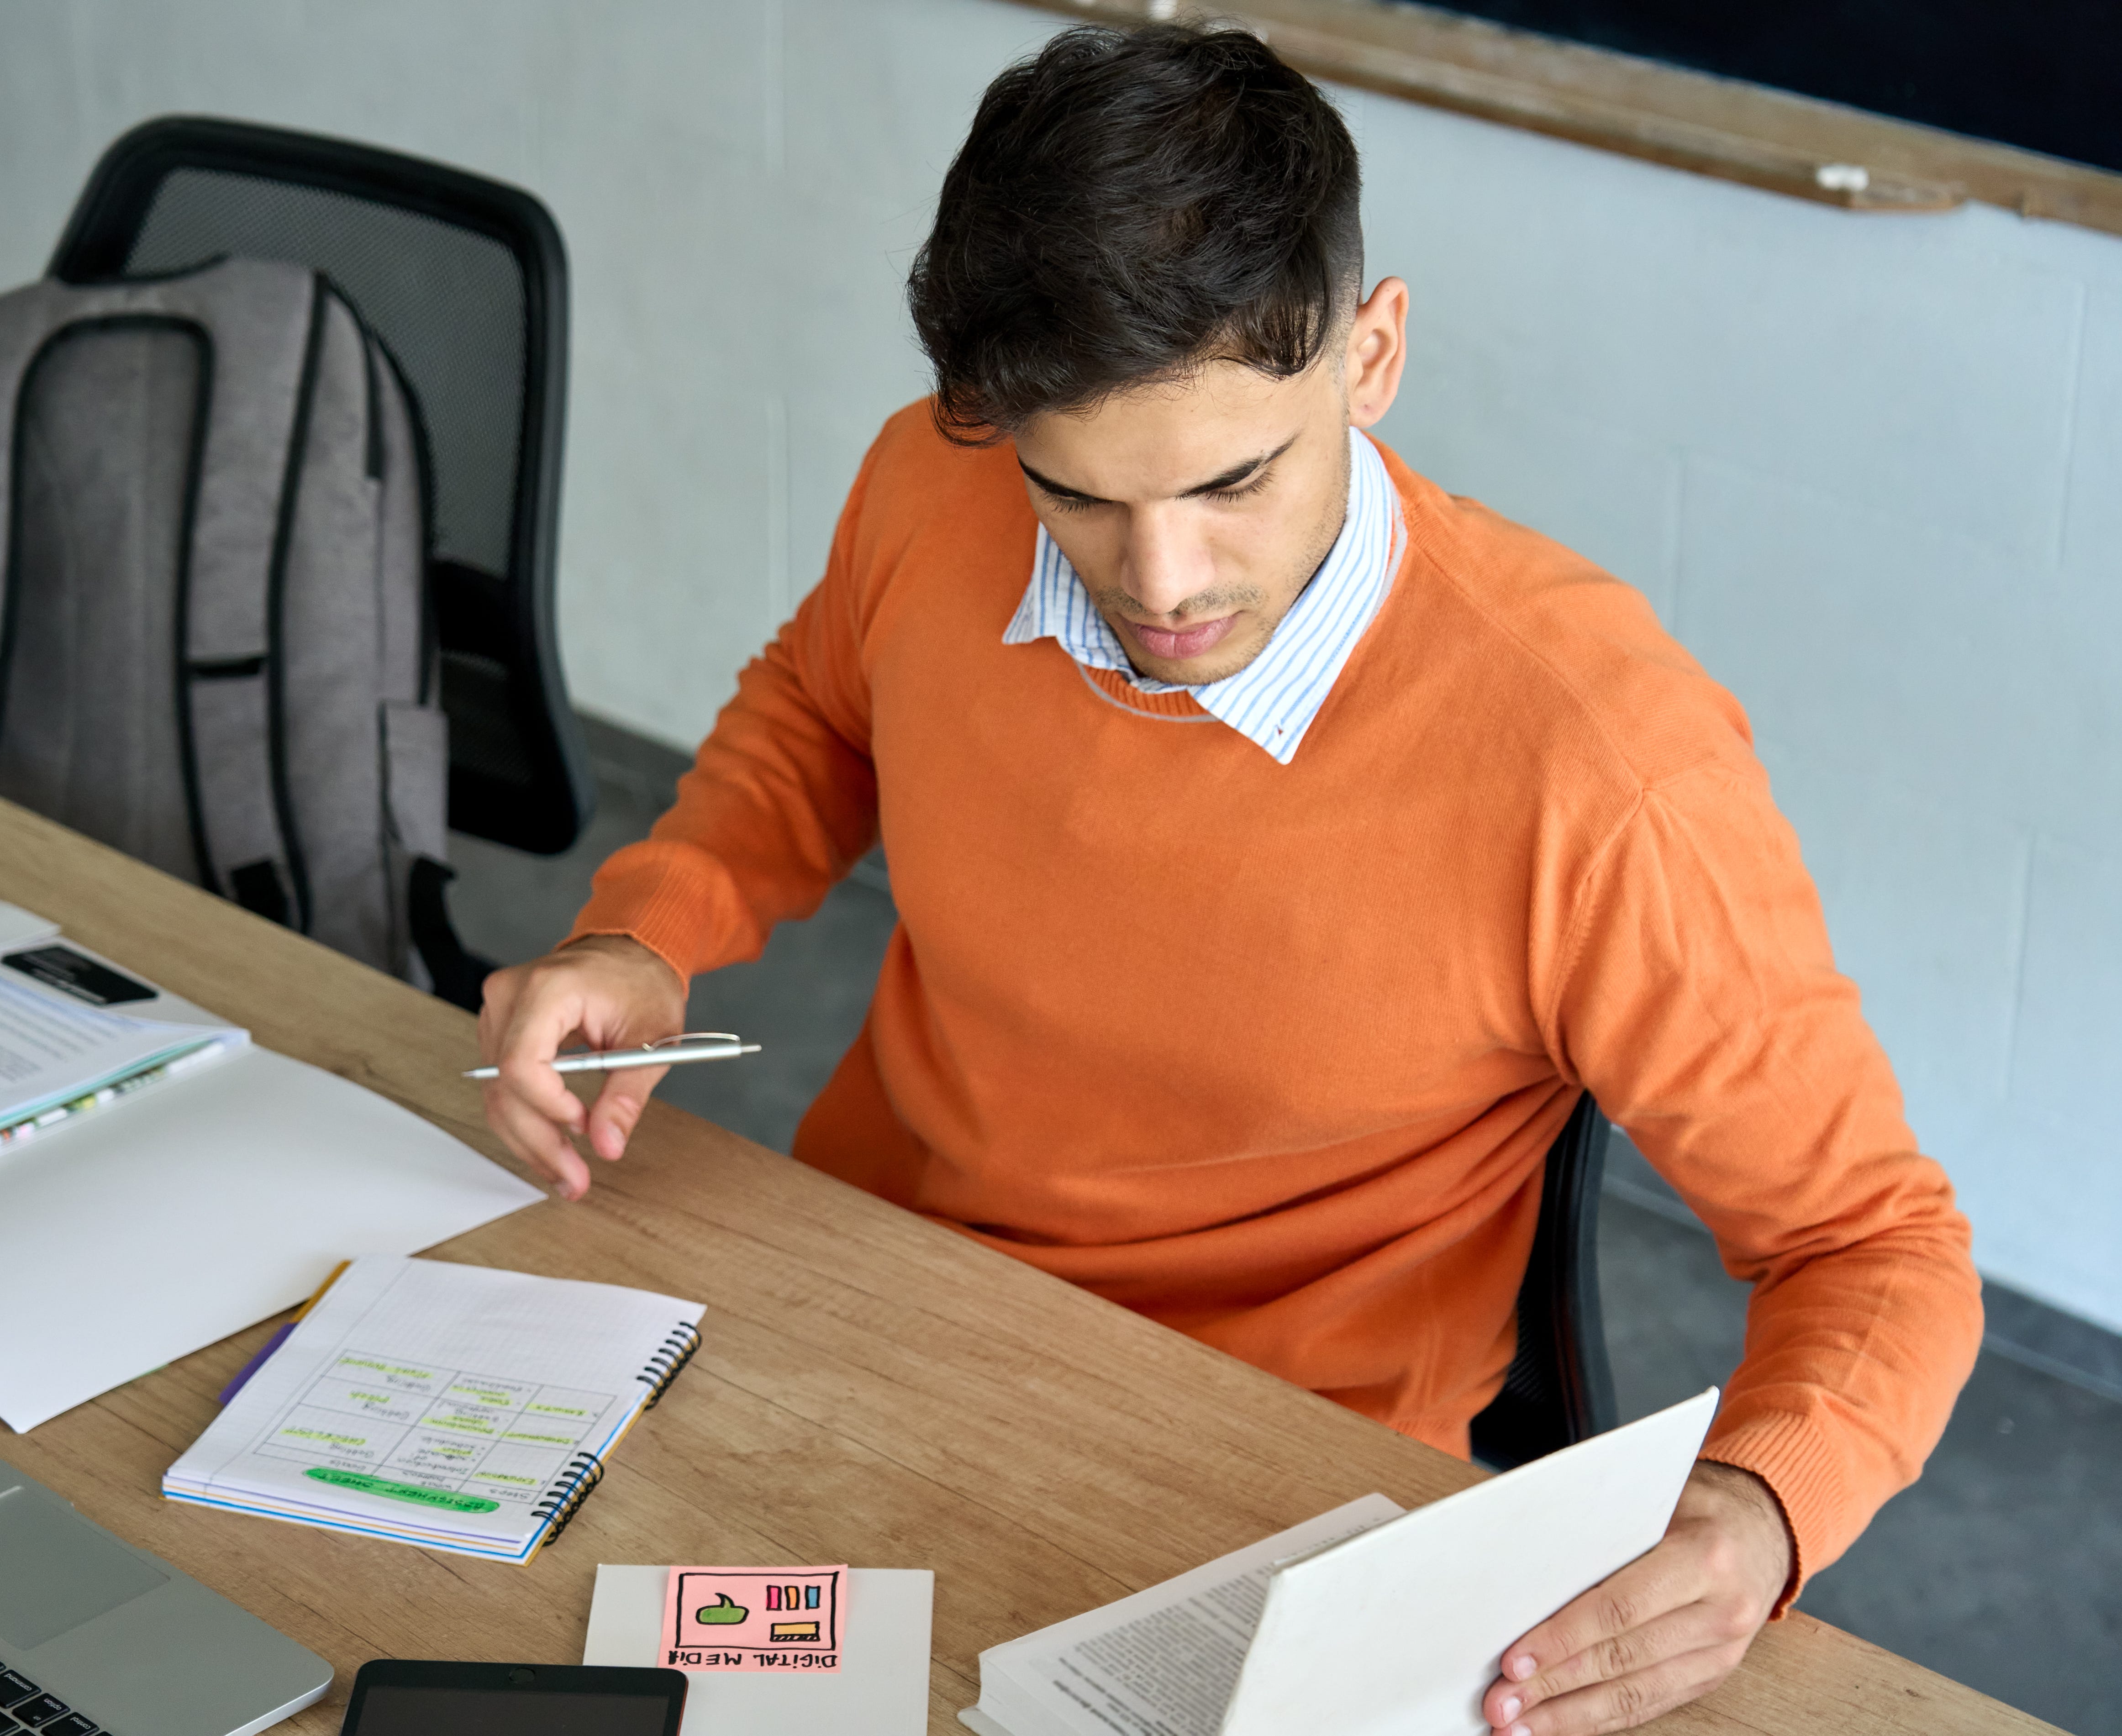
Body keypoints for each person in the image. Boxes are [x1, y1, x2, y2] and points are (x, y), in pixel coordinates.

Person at [477, 22, 1982, 1734]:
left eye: (1233, 480)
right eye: (1079, 498)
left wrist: (1759, 1513)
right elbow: (825, 714)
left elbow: (1881, 1246)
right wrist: (647, 927)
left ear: (1374, 353)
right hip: (870, 1308)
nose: (1163, 580)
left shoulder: (1603, 772)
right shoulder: (934, 481)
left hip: (1258, 1486)